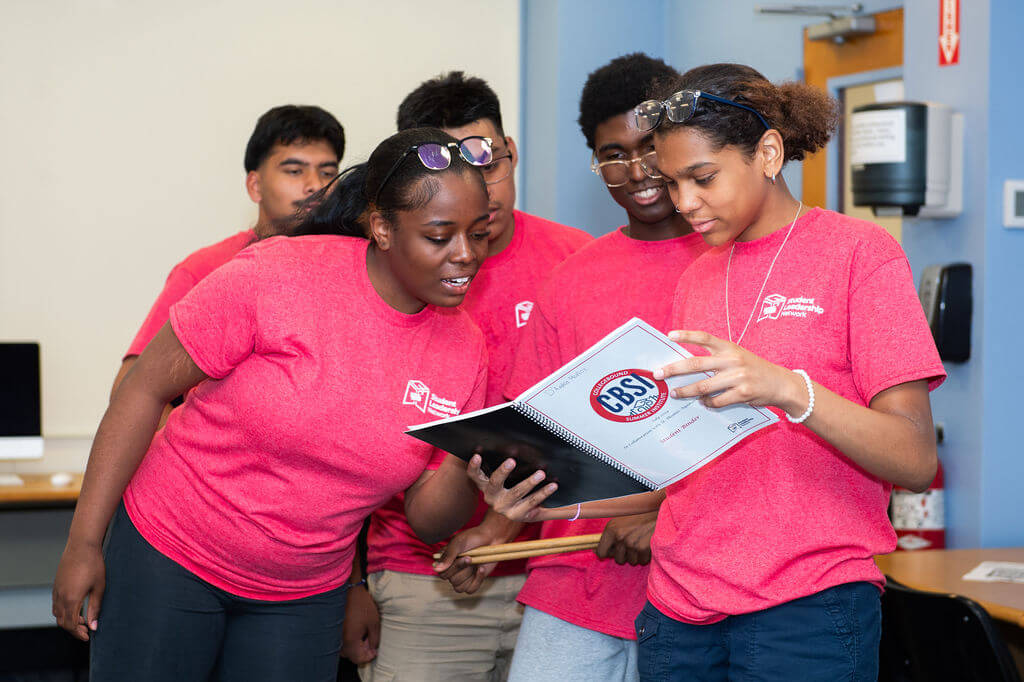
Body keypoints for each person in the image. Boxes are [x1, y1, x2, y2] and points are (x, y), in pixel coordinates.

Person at [471, 63, 946, 682]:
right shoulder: (698, 275)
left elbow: (913, 460)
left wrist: (787, 389)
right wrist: (559, 506)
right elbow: (690, 474)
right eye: (673, 183)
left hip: (806, 606)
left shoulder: (859, 255)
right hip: (679, 610)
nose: (685, 203)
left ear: (769, 152)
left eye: (702, 178)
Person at [51, 127, 530, 682]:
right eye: (440, 236)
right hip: (171, 552)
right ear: (381, 228)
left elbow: (426, 520)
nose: (466, 255)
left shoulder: (463, 346)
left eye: (477, 233)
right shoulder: (278, 274)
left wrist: (469, 470)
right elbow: (142, 389)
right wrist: (84, 541)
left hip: (303, 592)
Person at [344, 72, 592, 681]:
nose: (476, 187)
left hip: (560, 571)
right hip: (422, 573)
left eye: (488, 161)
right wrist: (347, 585)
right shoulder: (389, 271)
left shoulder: (578, 261)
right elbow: (338, 453)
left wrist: (503, 525)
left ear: (511, 151)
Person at [485, 53, 707, 682]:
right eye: (613, 154)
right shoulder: (575, 277)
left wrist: (665, 514)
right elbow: (537, 429)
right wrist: (497, 526)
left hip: (703, 585)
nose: (636, 172)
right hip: (575, 580)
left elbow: (765, 427)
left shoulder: (732, 258)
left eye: (649, 147)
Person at [110, 104, 345, 400]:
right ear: (255, 185)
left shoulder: (353, 267)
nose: (315, 186)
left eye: (328, 172)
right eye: (295, 171)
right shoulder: (205, 268)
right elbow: (129, 389)